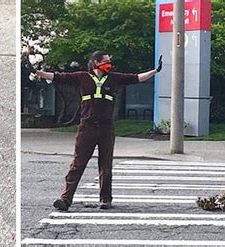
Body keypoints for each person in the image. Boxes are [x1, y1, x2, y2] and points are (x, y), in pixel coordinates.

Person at [26, 51, 162, 210]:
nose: (109, 64)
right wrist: (36, 72)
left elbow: (136, 78)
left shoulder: (114, 78)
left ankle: (105, 199)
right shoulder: (82, 77)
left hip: (106, 127)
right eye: (106, 61)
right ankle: (65, 199)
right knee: (78, 163)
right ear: (96, 62)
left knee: (105, 164)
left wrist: (155, 71)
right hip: (87, 126)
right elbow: (58, 77)